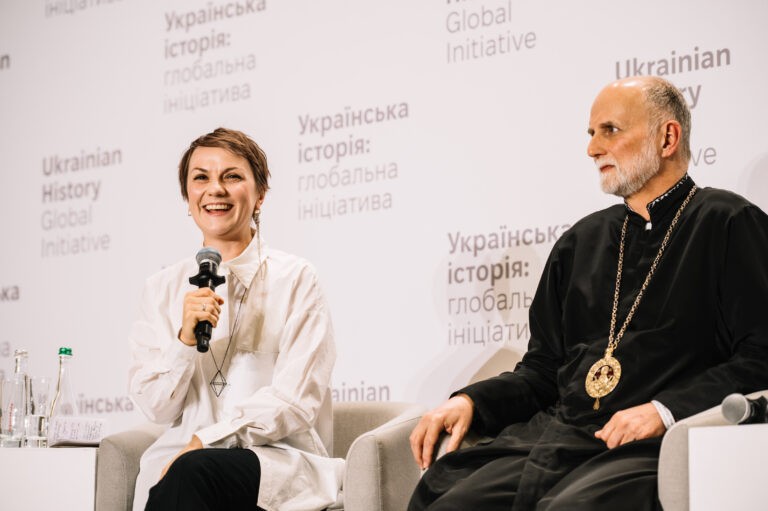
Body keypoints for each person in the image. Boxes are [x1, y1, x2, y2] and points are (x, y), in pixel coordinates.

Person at [408, 76, 768, 510]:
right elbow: (543, 370)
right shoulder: (580, 242)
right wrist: (473, 400)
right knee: (449, 500)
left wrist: (665, 409)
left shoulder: (728, 223)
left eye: (610, 130)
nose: (592, 149)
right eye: (592, 133)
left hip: (650, 445)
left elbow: (760, 356)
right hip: (561, 435)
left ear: (667, 138)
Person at [129, 128, 343, 511]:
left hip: (271, 459)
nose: (215, 189)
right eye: (201, 178)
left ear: (260, 195)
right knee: (182, 476)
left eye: (231, 176)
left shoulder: (295, 278)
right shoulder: (161, 289)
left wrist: (207, 440)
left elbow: (295, 400)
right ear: (187, 197)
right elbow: (157, 408)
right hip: (181, 460)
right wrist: (184, 342)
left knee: (192, 473)